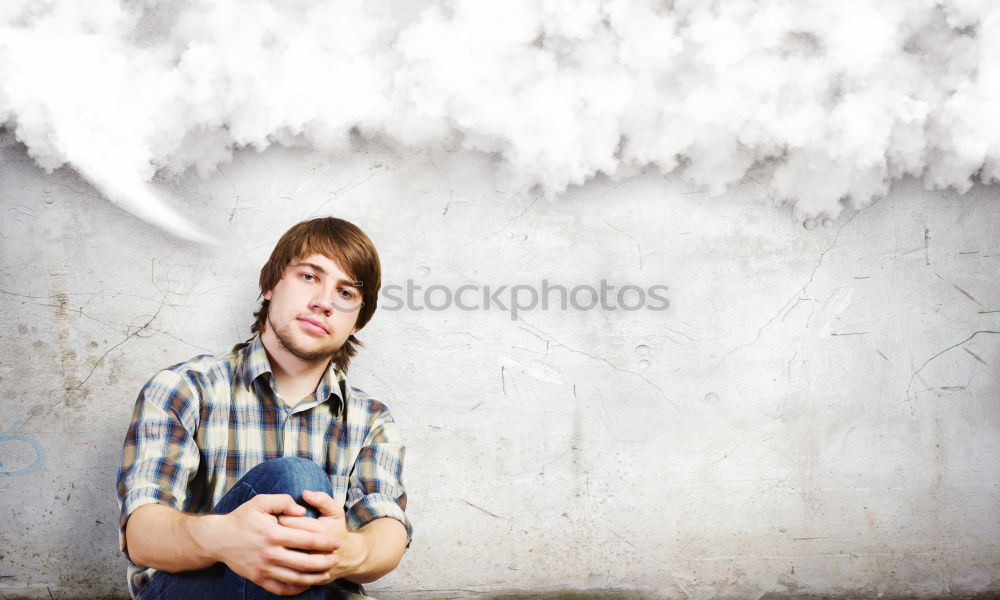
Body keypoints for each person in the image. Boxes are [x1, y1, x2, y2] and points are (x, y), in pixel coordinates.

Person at [116, 217, 411, 599]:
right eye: (309, 276)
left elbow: (387, 528)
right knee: (295, 480)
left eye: (346, 294)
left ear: (356, 322)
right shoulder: (184, 389)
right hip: (193, 590)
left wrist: (340, 550)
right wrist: (224, 539)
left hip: (321, 591)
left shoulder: (371, 420)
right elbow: (142, 535)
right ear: (269, 284)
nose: (324, 302)